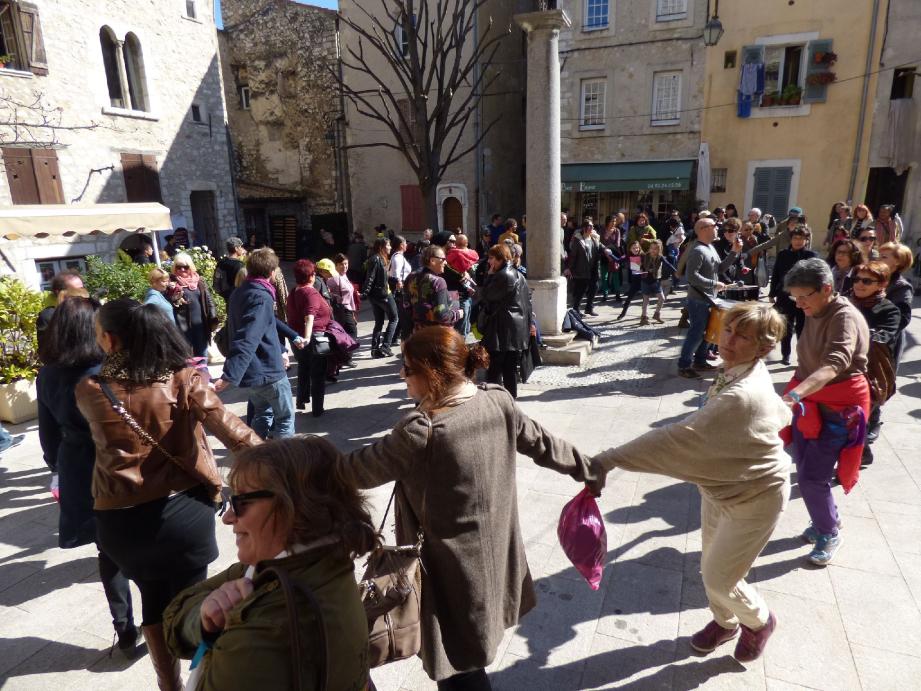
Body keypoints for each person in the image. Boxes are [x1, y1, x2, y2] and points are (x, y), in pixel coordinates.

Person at [334, 327, 599, 690]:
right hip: (494, 562)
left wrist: (300, 462)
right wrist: (588, 469)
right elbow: (543, 443)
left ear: (432, 373)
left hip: (448, 573)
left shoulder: (421, 431)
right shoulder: (497, 401)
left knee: (458, 668)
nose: (401, 375)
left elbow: (352, 471)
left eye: (408, 368)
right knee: (472, 655)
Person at [76, 299, 260, 690]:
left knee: (152, 600)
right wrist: (288, 462)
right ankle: (206, 675)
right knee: (200, 601)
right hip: (183, 512)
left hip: (120, 520)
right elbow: (233, 431)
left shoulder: (89, 389)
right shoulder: (182, 378)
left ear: (109, 340)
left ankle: (169, 685)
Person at [591, 303, 789, 661]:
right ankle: (725, 622)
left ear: (762, 348)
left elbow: (678, 439)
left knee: (719, 578)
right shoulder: (738, 370)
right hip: (719, 487)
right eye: (728, 329)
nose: (729, 340)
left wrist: (608, 459)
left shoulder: (741, 392)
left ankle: (759, 621)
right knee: (710, 566)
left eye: (742, 336)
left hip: (756, 496)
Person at [163, 438, 373, 691]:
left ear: (292, 508)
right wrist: (205, 616)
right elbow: (175, 615)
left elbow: (173, 621)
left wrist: (202, 620)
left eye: (241, 502)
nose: (228, 517)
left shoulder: (258, 636)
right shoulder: (320, 557)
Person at [37, 297, 139, 657]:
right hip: (117, 461)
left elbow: (47, 435)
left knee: (108, 550)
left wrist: (57, 468)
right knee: (140, 539)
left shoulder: (47, 372)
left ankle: (124, 629)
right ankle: (159, 616)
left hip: (78, 467)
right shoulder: (105, 367)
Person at [779, 258, 870, 566]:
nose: (799, 303)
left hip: (837, 408)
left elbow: (834, 364)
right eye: (795, 297)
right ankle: (826, 519)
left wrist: (794, 395)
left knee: (811, 478)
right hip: (811, 403)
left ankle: (829, 532)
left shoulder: (843, 317)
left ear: (827, 289)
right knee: (803, 463)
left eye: (804, 296)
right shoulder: (815, 309)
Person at [216, 248, 297, 440]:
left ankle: (254, 456)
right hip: (268, 372)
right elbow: (248, 336)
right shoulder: (262, 296)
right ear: (271, 273)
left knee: (262, 415)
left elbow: (265, 325)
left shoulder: (239, 292)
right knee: (285, 419)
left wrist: (286, 345)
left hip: (254, 373)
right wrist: (229, 375)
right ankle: (285, 463)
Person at [848, 261, 900, 463]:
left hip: (872, 374)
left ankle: (857, 458)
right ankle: (860, 453)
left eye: (867, 281)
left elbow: (884, 335)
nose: (859, 284)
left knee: (860, 420)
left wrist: (851, 332)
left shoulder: (889, 310)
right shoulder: (846, 303)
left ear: (882, 284)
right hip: (844, 370)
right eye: (857, 279)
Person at [677, 218, 740, 379]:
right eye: (715, 226)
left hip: (709, 298)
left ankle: (699, 361)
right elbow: (691, 277)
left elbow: (720, 268)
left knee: (707, 332)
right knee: (696, 333)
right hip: (698, 299)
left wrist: (734, 252)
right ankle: (684, 366)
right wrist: (714, 284)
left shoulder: (710, 247)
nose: (718, 229)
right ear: (704, 229)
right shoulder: (697, 250)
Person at [477, 243, 532, 398]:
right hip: (512, 328)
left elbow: (486, 295)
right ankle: (510, 399)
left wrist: (489, 275)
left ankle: (495, 400)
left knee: (495, 367)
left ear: (501, 259)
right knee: (509, 368)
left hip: (502, 329)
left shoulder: (502, 275)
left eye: (492, 258)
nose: (489, 262)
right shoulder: (517, 274)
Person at [287, 259, 333, 417]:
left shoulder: (294, 291)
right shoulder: (310, 292)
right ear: (312, 276)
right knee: (318, 374)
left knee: (304, 367)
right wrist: (307, 337)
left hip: (296, 338)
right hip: (314, 337)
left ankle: (301, 399)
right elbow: (310, 317)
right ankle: (318, 410)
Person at [769, 225, 817, 365]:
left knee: (802, 328)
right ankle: (785, 355)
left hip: (804, 298)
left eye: (801, 238)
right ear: (791, 239)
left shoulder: (811, 256)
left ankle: (802, 356)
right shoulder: (783, 254)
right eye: (795, 238)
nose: (798, 241)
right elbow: (776, 274)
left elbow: (815, 277)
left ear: (806, 240)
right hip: (785, 296)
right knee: (786, 327)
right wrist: (772, 293)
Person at [403, 243, 464, 334]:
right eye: (443, 259)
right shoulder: (438, 281)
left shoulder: (411, 276)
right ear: (432, 260)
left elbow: (406, 305)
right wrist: (458, 313)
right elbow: (442, 315)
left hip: (418, 333)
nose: (445, 262)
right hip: (437, 335)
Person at [170, 252, 218, 359]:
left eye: (185, 267)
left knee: (202, 356)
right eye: (179, 267)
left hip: (201, 326)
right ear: (174, 268)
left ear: (190, 267)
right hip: (182, 328)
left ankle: (203, 375)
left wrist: (213, 318)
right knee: (187, 358)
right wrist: (174, 298)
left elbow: (209, 301)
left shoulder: (199, 281)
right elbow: (168, 303)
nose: (182, 270)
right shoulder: (171, 283)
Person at [878, 242, 914, 371]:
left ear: (897, 262)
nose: (879, 259)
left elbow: (903, 318)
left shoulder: (902, 286)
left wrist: (881, 336)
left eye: (884, 257)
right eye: (879, 255)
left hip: (886, 341)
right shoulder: (874, 278)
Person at [361, 237, 399, 358]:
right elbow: (370, 278)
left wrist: (394, 280)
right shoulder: (376, 259)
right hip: (382, 295)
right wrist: (364, 293)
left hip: (377, 295)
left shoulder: (381, 259)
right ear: (382, 247)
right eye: (388, 245)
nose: (390, 247)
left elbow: (383, 278)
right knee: (394, 318)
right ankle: (386, 346)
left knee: (379, 322)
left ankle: (375, 349)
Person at [36, 269, 84, 349]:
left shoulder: (90, 308)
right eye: (75, 290)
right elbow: (45, 348)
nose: (80, 293)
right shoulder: (49, 316)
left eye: (82, 288)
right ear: (59, 292)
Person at [567, 219, 602, 316]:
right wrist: (569, 268)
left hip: (593, 268)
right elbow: (573, 256)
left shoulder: (594, 238)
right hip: (581, 269)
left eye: (592, 226)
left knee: (594, 287)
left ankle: (589, 308)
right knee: (581, 290)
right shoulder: (578, 240)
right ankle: (576, 309)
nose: (592, 228)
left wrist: (606, 250)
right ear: (584, 228)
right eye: (589, 226)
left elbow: (599, 248)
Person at [328, 253, 359, 342]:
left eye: (346, 264)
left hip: (348, 310)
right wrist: (335, 296)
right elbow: (326, 292)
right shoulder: (334, 278)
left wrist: (353, 314)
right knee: (352, 332)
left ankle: (344, 353)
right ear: (336, 265)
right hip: (341, 310)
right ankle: (347, 353)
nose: (344, 266)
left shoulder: (344, 276)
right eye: (341, 264)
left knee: (345, 333)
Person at [389, 235, 413, 343]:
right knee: (402, 313)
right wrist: (399, 284)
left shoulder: (397, 256)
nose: (407, 245)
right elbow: (396, 273)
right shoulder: (398, 257)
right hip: (402, 289)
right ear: (401, 245)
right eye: (405, 243)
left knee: (401, 313)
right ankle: (394, 337)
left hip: (403, 288)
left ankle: (394, 337)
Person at [639, 240, 666, 325]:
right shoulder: (645, 256)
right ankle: (643, 317)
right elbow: (638, 265)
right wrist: (641, 269)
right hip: (645, 280)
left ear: (659, 249)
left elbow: (668, 264)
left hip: (656, 281)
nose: (653, 250)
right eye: (651, 248)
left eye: (655, 249)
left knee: (662, 298)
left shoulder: (660, 257)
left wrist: (676, 272)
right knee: (646, 300)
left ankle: (656, 314)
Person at [599, 214, 624, 302]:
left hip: (614, 255)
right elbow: (600, 243)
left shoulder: (617, 231)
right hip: (604, 255)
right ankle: (605, 294)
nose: (614, 223)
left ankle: (617, 294)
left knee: (615, 276)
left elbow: (617, 244)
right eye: (612, 221)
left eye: (615, 221)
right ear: (607, 221)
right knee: (604, 276)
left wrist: (611, 255)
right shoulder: (602, 230)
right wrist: (606, 253)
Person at [213, 237, 247, 304]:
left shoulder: (221, 263)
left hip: (227, 298)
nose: (242, 249)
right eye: (240, 247)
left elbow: (216, 283)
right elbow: (244, 284)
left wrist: (224, 294)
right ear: (236, 248)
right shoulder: (240, 265)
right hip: (239, 299)